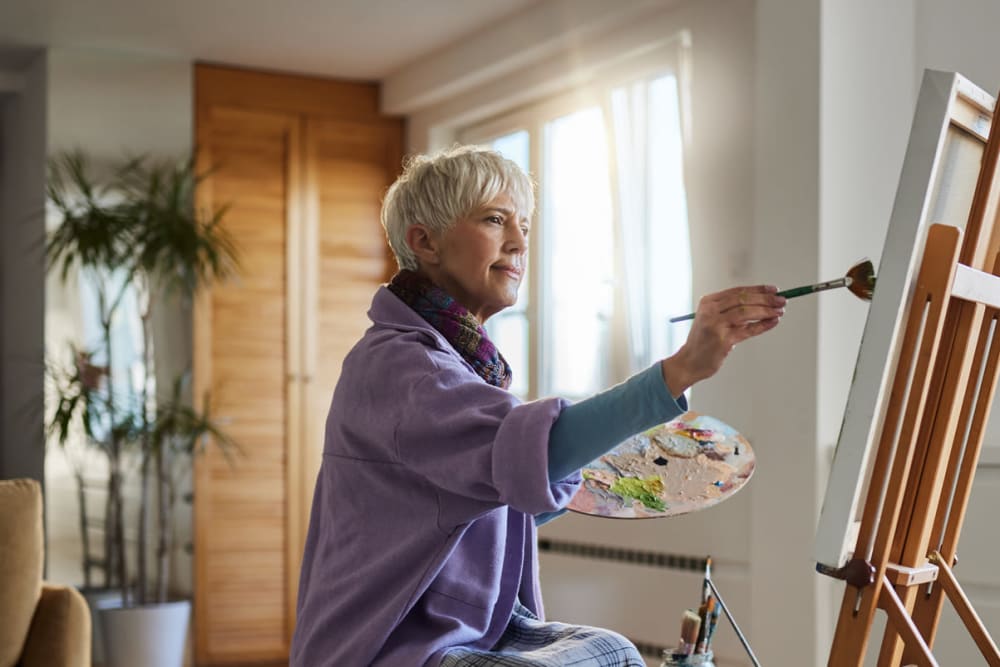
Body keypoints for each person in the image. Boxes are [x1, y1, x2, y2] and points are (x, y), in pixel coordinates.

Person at [290, 145, 785, 666]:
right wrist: (681, 369)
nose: (520, 241)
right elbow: (531, 455)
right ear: (425, 242)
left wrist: (589, 473)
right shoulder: (405, 368)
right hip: (391, 642)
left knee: (613, 651)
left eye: (524, 224)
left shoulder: (460, 363)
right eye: (495, 219)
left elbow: (486, 496)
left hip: (454, 626)